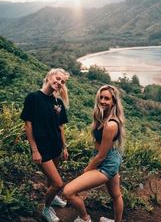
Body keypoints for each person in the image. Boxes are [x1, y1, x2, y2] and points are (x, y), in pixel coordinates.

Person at [63, 85, 125, 222]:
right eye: (101, 97)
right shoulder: (103, 117)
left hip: (106, 162)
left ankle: (85, 219)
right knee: (116, 195)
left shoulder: (111, 124)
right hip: (111, 158)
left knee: (68, 191)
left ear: (113, 102)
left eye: (107, 98)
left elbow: (101, 156)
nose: (103, 101)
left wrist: (87, 170)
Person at [20, 68, 70, 222]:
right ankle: (46, 209)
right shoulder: (33, 97)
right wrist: (34, 150)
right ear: (49, 77)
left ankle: (53, 198)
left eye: (62, 81)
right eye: (57, 78)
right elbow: (28, 125)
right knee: (58, 183)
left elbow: (60, 127)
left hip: (55, 146)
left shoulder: (58, 102)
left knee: (51, 180)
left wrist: (64, 147)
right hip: (42, 148)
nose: (59, 83)